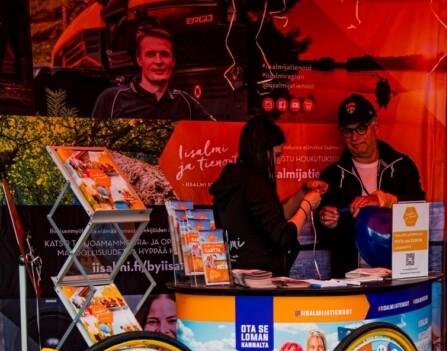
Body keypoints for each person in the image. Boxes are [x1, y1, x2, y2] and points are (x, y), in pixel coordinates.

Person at [318, 94, 425, 277]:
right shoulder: (332, 176)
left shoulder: (402, 166)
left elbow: (419, 211)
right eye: (347, 131)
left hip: (399, 273)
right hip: (350, 279)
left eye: (361, 129)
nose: (354, 137)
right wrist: (327, 223)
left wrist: (383, 200)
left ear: (375, 124)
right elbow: (325, 240)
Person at [210, 116, 325, 276]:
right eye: (277, 155)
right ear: (262, 153)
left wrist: (302, 194)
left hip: (237, 273)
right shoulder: (255, 184)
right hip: (261, 278)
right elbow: (283, 235)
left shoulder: (235, 182)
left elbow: (272, 220)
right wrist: (306, 206)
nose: (279, 161)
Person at [92, 26, 213, 120]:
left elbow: (218, 134)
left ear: (173, 61)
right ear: (139, 60)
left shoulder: (185, 102)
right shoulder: (110, 99)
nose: (158, 61)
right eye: (150, 54)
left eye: (164, 54)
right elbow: (90, 147)